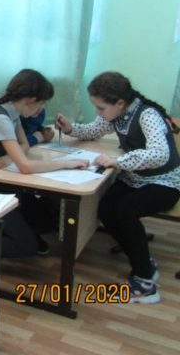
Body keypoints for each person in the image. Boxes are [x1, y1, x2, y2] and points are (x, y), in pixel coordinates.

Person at [55, 71, 180, 303]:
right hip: (135, 178)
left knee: (125, 210)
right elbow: (93, 130)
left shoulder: (147, 115)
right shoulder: (116, 113)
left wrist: (119, 161)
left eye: (100, 108)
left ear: (120, 103)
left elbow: (160, 154)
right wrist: (71, 128)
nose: (98, 112)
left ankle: (145, 283)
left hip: (164, 181)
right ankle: (143, 260)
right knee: (105, 209)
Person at [0, 69, 87, 257]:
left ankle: (10, 230)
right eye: (41, 104)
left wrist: (9, 157)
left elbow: (24, 144)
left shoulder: (13, 110)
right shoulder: (0, 118)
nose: (41, 110)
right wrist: (67, 163)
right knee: (26, 246)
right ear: (31, 101)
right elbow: (26, 167)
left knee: (48, 220)